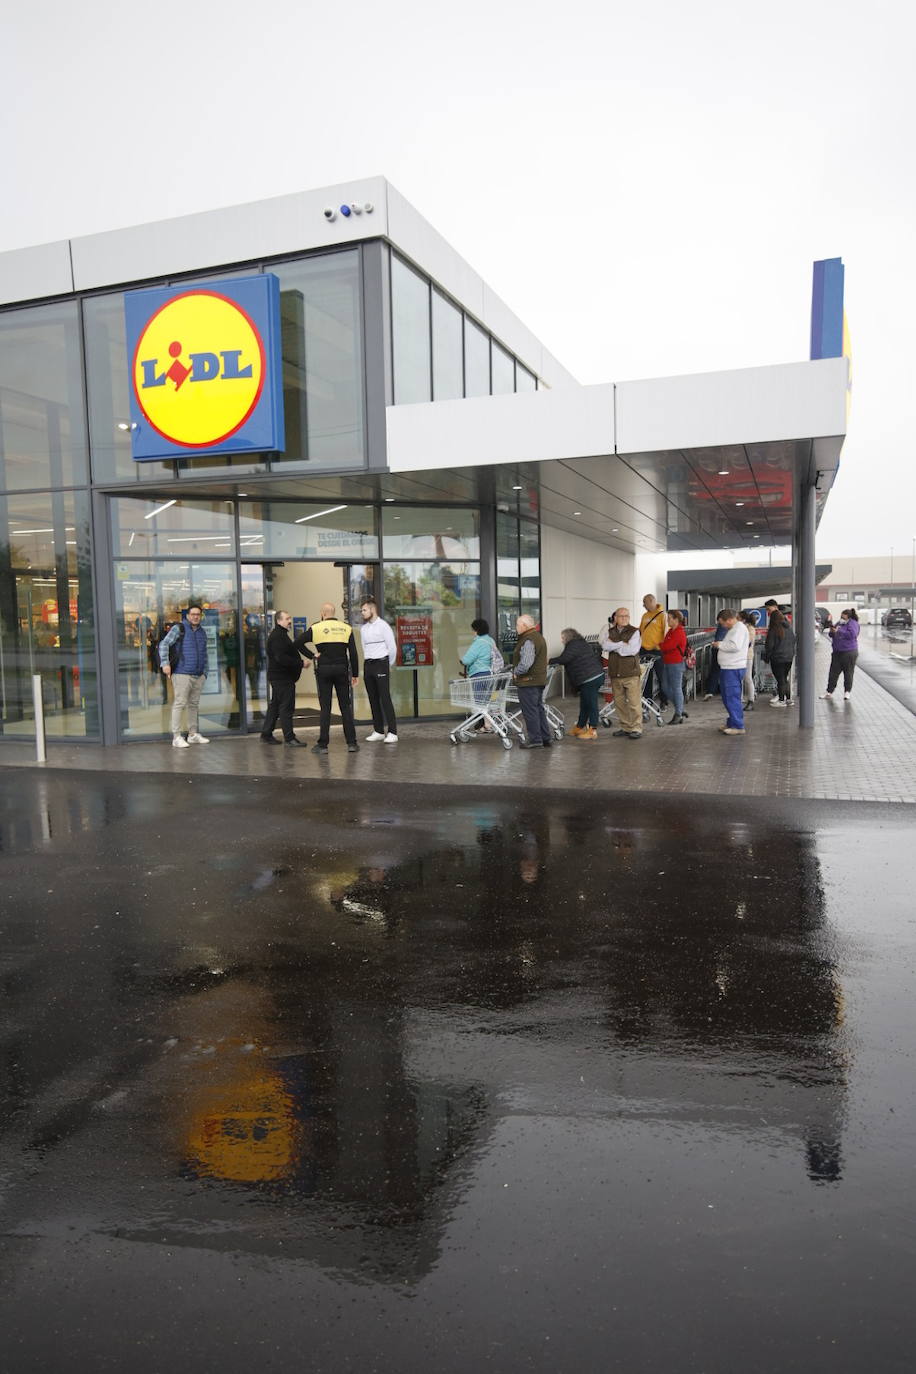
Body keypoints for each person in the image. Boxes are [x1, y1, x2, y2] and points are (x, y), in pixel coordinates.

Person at [297, 603, 360, 754]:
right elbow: (353, 653)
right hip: (341, 670)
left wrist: (312, 656)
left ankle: (323, 745)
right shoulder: (346, 628)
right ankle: (351, 743)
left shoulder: (316, 628)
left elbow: (297, 643)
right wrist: (355, 674)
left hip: (323, 670)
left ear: (322, 613)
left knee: (326, 708)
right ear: (334, 612)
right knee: (345, 706)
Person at [159, 603, 210, 748]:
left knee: (193, 704)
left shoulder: (202, 632)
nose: (195, 617)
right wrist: (165, 664)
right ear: (187, 616)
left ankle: (192, 734)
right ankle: (176, 737)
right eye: (193, 614)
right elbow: (164, 644)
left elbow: (204, 653)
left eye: (198, 615)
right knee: (180, 703)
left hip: (198, 674)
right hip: (182, 673)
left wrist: (205, 672)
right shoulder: (179, 628)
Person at [259, 611, 305, 746]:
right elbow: (281, 658)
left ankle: (266, 734)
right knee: (286, 707)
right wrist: (300, 663)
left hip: (279, 677)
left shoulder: (280, 635)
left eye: (290, 618)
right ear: (278, 621)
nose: (289, 621)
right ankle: (289, 738)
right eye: (287, 619)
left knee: (275, 706)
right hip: (282, 678)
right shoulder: (278, 637)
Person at [549, 629, 604, 739]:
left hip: (590, 678)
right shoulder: (581, 643)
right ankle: (579, 726)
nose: (562, 640)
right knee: (584, 704)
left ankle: (592, 730)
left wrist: (549, 661)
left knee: (591, 704)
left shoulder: (573, 645)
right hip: (591, 676)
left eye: (563, 638)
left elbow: (565, 658)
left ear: (568, 637)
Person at [600, 607, 643, 739]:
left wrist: (615, 646)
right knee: (619, 703)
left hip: (631, 673)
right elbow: (605, 646)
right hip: (615, 672)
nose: (624, 618)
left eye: (627, 616)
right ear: (615, 618)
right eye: (621, 616)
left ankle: (636, 728)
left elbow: (631, 650)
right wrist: (621, 644)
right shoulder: (609, 631)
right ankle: (625, 727)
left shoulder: (634, 632)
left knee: (634, 703)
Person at [359, 599, 398, 742]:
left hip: (381, 663)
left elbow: (392, 647)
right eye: (362, 611)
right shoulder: (363, 629)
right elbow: (364, 647)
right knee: (373, 698)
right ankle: (378, 730)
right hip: (368, 665)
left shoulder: (383, 626)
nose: (362, 613)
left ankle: (393, 732)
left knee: (385, 698)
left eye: (364, 610)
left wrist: (388, 664)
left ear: (372, 610)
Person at [512, 614, 551, 749]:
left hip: (528, 681)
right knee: (538, 709)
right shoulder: (538, 637)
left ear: (525, 626)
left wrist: (516, 672)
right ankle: (545, 738)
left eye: (517, 625)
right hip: (538, 680)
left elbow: (526, 663)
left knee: (530, 711)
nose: (516, 628)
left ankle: (535, 739)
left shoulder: (528, 640)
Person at [709, 609, 750, 735]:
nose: (722, 626)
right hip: (729, 667)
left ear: (730, 619)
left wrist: (719, 645)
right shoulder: (734, 629)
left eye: (723, 623)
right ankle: (732, 722)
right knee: (728, 697)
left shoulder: (739, 629)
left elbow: (734, 646)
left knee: (732, 697)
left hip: (733, 668)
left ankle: (738, 725)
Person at [461, 617, 501, 731]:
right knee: (486, 701)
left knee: (480, 703)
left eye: (473, 629)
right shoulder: (490, 640)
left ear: (477, 630)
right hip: (490, 674)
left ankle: (486, 724)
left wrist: (461, 660)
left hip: (479, 675)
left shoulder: (478, 642)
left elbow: (467, 660)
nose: (472, 632)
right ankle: (487, 724)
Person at [821, 607, 860, 700]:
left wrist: (839, 631)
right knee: (833, 673)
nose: (841, 618)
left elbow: (852, 635)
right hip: (837, 652)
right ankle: (829, 691)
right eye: (841, 616)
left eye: (843, 617)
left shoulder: (853, 624)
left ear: (848, 617)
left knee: (848, 673)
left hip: (849, 652)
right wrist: (832, 631)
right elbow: (832, 634)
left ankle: (847, 692)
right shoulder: (839, 623)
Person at [659, 610, 689, 724]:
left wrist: (659, 644)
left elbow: (667, 646)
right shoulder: (671, 631)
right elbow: (665, 644)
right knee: (665, 687)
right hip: (668, 662)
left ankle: (678, 714)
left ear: (676, 619)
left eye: (669, 618)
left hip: (676, 663)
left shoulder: (679, 632)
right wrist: (662, 644)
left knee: (676, 688)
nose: (667, 621)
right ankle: (680, 708)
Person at [764, 608, 796, 707]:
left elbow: (769, 646)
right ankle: (789, 699)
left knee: (781, 680)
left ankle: (782, 701)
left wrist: (767, 657)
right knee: (784, 679)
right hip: (789, 658)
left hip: (777, 658)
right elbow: (793, 641)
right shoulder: (789, 628)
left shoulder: (774, 630)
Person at [639, 594, 667, 703]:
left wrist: (661, 647)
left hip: (657, 651)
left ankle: (664, 700)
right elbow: (641, 630)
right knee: (646, 676)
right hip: (644, 649)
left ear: (651, 601)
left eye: (644, 602)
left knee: (661, 676)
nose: (643, 605)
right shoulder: (645, 616)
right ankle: (647, 700)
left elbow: (666, 633)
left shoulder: (662, 615)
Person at [738, 611, 757, 711]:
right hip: (741, 657)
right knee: (741, 678)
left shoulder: (750, 629)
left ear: (743, 619)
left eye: (738, 618)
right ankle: (740, 698)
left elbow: (747, 642)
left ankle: (751, 700)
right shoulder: (743, 628)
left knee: (747, 679)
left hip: (747, 657)